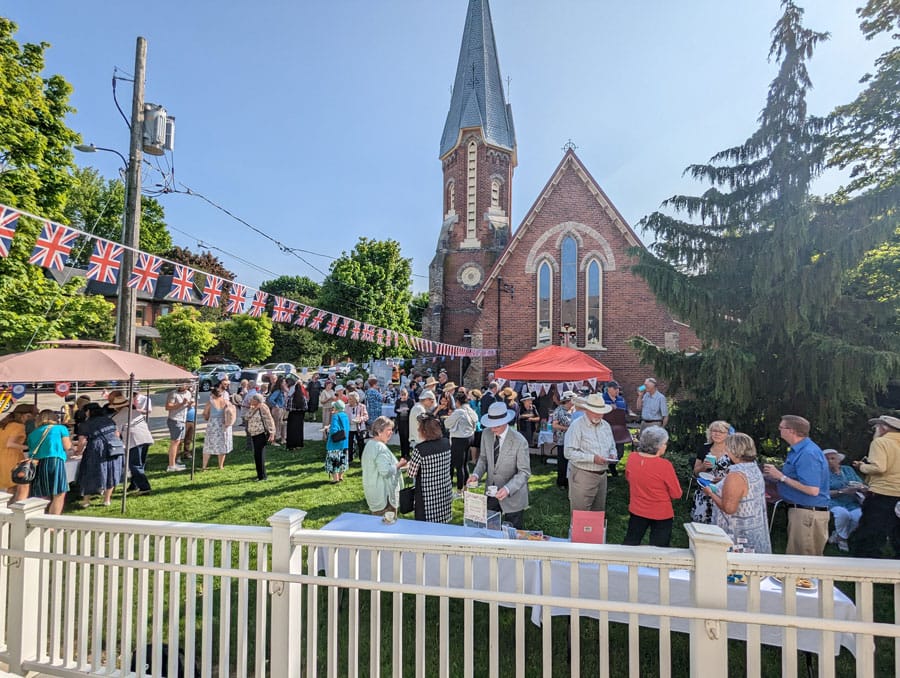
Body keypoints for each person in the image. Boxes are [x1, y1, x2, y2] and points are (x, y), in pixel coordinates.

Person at [762, 415, 830, 556]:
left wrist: (781, 477)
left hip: (808, 514)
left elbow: (812, 490)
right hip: (802, 512)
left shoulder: (808, 454)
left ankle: (808, 580)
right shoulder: (799, 451)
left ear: (791, 430)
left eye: (781, 428)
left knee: (804, 561)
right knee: (798, 558)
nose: (779, 430)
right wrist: (776, 478)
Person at [703, 433, 771, 554]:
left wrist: (710, 493)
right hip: (755, 533)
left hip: (737, 537)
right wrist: (723, 482)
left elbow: (729, 508)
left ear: (732, 449)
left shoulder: (736, 475)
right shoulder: (753, 468)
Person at [468, 402, 532, 529]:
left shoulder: (519, 441)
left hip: (514, 496)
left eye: (495, 426)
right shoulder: (486, 434)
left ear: (505, 422)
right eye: (490, 425)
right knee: (490, 530)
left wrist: (508, 489)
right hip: (491, 492)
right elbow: (483, 459)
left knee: (512, 532)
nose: (492, 429)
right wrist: (476, 474)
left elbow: (524, 472)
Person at [850, 415, 900, 558]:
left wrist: (862, 466)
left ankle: (862, 571)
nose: (874, 430)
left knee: (870, 535)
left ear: (883, 427)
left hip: (882, 494)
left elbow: (879, 467)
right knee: (897, 537)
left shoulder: (880, 442)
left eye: (875, 427)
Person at [623, 426, 682, 546]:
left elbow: (628, 477)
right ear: (659, 446)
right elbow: (677, 494)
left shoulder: (632, 457)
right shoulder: (665, 465)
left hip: (637, 509)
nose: (666, 446)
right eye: (665, 443)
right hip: (661, 513)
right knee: (659, 551)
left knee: (630, 544)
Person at [564, 393, 617, 513]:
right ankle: (579, 532)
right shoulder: (577, 426)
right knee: (581, 515)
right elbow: (568, 452)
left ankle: (595, 532)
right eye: (595, 411)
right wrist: (592, 458)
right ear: (587, 410)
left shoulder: (606, 426)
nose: (598, 415)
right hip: (583, 474)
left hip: (602, 475)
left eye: (601, 412)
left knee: (598, 514)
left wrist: (613, 454)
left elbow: (612, 446)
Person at [77, 403, 125, 508]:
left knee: (88, 472)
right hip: (113, 448)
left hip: (96, 449)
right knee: (111, 472)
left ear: (88, 411)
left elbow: (82, 441)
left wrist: (78, 452)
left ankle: (86, 501)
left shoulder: (86, 424)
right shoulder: (109, 420)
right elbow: (117, 434)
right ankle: (107, 500)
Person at [407, 413, 452, 522]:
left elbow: (411, 473)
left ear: (424, 431)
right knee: (443, 520)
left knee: (426, 526)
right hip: (444, 488)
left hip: (427, 493)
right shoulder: (446, 443)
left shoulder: (420, 449)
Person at [27, 410, 72, 515]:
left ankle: (41, 517)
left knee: (43, 493)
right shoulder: (61, 428)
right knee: (59, 492)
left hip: (38, 462)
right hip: (55, 460)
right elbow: (67, 446)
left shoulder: (33, 433)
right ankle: (53, 522)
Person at [109, 394, 154, 495]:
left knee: (134, 465)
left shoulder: (117, 417)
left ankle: (145, 487)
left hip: (134, 441)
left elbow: (116, 434)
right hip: (146, 438)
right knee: (140, 464)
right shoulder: (135, 412)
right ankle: (134, 485)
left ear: (116, 407)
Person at [362, 416, 407, 516]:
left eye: (392, 429)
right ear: (379, 431)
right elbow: (385, 471)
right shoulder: (379, 447)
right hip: (384, 497)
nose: (391, 432)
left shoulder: (370, 444)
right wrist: (399, 464)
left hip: (374, 492)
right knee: (387, 527)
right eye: (389, 430)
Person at [690, 420, 733, 524]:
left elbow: (739, 473)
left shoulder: (733, 451)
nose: (717, 434)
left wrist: (724, 480)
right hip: (705, 489)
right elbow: (696, 473)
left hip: (724, 491)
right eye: (714, 431)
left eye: (721, 432)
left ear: (728, 434)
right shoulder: (704, 448)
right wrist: (703, 467)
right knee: (700, 523)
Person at [824, 449, 864, 552]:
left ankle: (838, 535)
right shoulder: (822, 473)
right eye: (826, 459)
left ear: (839, 460)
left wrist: (861, 487)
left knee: (859, 517)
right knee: (843, 514)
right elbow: (822, 493)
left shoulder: (848, 469)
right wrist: (842, 491)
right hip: (833, 502)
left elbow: (859, 483)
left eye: (832, 458)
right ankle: (842, 539)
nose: (829, 461)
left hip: (852, 501)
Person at [444, 391, 478, 498]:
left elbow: (447, 423)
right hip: (469, 437)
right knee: (464, 464)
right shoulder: (470, 410)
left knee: (459, 466)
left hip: (459, 439)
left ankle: (459, 491)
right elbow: (476, 419)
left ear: (458, 401)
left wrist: (451, 417)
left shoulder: (459, 411)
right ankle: (465, 487)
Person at [0, 404, 35, 503]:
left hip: (3, 455)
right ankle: (8, 510)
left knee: (9, 486)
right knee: (14, 485)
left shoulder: (5, 424)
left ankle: (6, 509)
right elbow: (10, 443)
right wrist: (28, 447)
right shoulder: (18, 426)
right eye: (31, 416)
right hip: (11, 457)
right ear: (24, 415)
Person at [201, 380, 236, 471]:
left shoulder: (210, 402)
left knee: (208, 444)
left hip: (213, 424)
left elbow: (205, 414)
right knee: (222, 445)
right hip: (223, 424)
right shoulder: (226, 402)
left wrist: (207, 417)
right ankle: (220, 466)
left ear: (213, 394)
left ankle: (204, 466)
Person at [245, 394, 276, 481]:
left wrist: (272, 432)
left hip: (261, 433)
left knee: (259, 455)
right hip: (254, 433)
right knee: (256, 455)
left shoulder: (263, 407)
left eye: (252, 399)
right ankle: (260, 474)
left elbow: (269, 419)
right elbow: (247, 417)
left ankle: (262, 476)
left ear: (256, 400)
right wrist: (253, 408)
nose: (250, 400)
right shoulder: (253, 407)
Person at [551, 391, 577, 488]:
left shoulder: (574, 410)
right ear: (568, 400)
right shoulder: (559, 411)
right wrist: (568, 429)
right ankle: (561, 482)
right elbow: (555, 425)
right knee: (563, 461)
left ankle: (569, 480)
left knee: (570, 461)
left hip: (573, 439)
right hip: (563, 440)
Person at [164, 383, 192, 471]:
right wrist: (181, 403)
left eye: (184, 384)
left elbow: (188, 405)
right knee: (175, 442)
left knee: (178, 442)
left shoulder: (188, 393)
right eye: (180, 383)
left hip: (183, 419)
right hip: (175, 419)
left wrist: (190, 404)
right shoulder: (173, 393)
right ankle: (171, 465)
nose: (181, 385)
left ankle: (174, 463)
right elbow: (168, 407)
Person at [326, 400, 351, 483]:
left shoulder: (335, 416)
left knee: (334, 460)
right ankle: (340, 476)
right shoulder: (345, 416)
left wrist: (328, 429)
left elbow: (334, 430)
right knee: (342, 460)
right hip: (344, 442)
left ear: (336, 408)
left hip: (335, 443)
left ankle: (335, 478)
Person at [346, 392, 369, 465]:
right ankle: (350, 458)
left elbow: (366, 416)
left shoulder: (362, 406)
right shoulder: (346, 407)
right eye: (348, 399)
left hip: (359, 428)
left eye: (350, 399)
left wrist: (360, 419)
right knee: (349, 443)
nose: (349, 400)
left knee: (361, 443)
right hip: (349, 428)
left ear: (355, 399)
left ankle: (361, 458)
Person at [285, 377, 308, 450]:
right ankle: (299, 444)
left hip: (292, 415)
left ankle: (291, 445)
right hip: (300, 415)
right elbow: (306, 407)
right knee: (299, 430)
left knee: (291, 430)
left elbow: (288, 408)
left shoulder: (291, 397)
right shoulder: (303, 397)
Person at [394, 387, 415, 459]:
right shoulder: (398, 401)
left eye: (405, 394)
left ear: (407, 394)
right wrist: (399, 410)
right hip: (400, 421)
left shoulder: (410, 401)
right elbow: (395, 410)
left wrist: (408, 409)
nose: (403, 396)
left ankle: (407, 453)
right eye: (402, 394)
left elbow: (412, 410)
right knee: (401, 437)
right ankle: (403, 454)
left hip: (407, 421)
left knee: (407, 438)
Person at [267, 377, 287, 445]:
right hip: (277, 410)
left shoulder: (282, 391)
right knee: (276, 425)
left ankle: (282, 439)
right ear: (280, 383)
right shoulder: (277, 391)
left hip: (281, 409)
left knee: (281, 424)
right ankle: (273, 441)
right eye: (284, 382)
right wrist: (276, 405)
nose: (285, 383)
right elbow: (271, 399)